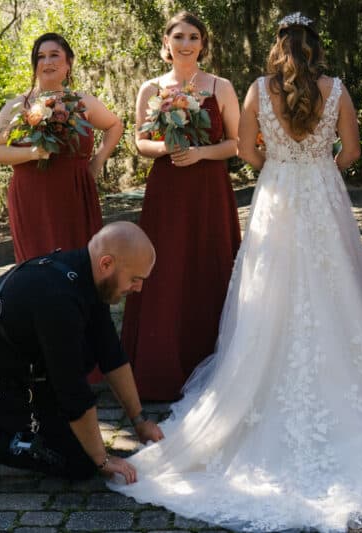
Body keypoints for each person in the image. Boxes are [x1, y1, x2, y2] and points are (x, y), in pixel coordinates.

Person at [109, 13, 362, 531]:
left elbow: (249, 152)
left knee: (269, 292)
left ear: (278, 46)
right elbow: (355, 153)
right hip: (322, 195)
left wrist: (282, 163)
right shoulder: (336, 89)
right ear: (316, 47)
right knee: (331, 289)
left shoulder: (254, 90)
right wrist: (318, 166)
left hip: (276, 194)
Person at [0, 222, 164, 486]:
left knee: (86, 362)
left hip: (19, 371)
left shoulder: (86, 276)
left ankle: (48, 423)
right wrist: (101, 459)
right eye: (135, 279)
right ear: (106, 264)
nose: (138, 288)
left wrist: (139, 420)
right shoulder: (59, 298)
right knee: (79, 461)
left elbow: (111, 354)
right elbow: (73, 392)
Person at [120, 11, 242, 401]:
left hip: (208, 189)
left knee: (209, 263)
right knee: (166, 268)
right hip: (167, 190)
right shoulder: (150, 88)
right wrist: (167, 147)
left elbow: (237, 143)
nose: (186, 44)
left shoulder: (220, 86)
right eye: (179, 37)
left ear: (203, 43)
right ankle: (161, 368)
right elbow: (139, 142)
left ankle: (218, 365)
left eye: (193, 37)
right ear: (166, 43)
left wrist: (202, 153)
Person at [0, 33, 123, 264]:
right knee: (37, 268)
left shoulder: (82, 102)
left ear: (68, 62)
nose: (47, 62)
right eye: (40, 56)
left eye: (54, 55)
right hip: (32, 198)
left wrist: (96, 163)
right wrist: (32, 153)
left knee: (81, 263)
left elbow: (115, 125)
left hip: (75, 194)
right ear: (34, 64)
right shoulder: (18, 106)